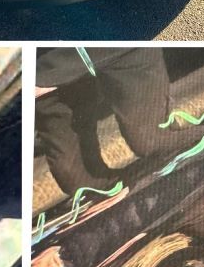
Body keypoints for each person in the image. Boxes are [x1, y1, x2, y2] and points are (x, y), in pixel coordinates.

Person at [35, 48, 171, 195]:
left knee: (151, 139)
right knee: (79, 181)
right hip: (51, 71)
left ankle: (182, 134)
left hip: (104, 54)